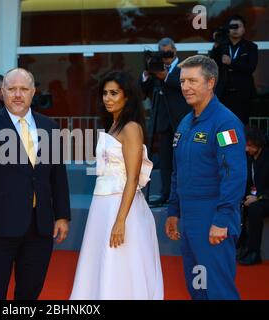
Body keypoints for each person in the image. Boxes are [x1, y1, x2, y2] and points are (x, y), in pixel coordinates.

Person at [0, 68, 70, 300]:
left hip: (39, 227)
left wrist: (62, 215)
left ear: (33, 92)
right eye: (12, 89)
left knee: (30, 292)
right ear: (2, 92)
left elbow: (57, 176)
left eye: (23, 89)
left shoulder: (50, 127)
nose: (18, 95)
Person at [70, 71, 163, 300]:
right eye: (104, 93)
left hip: (121, 206)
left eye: (114, 93)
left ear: (128, 96)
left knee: (120, 262)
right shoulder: (113, 125)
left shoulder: (131, 128)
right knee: (101, 260)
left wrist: (120, 220)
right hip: (102, 204)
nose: (107, 98)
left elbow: (132, 178)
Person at [165, 55, 247, 300]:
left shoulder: (225, 123)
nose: (185, 87)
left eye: (192, 81)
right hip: (188, 218)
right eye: (182, 81)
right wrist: (173, 210)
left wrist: (221, 219)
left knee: (218, 289)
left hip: (213, 216)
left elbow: (234, 175)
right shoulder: (185, 122)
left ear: (211, 82)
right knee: (197, 287)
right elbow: (178, 172)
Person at [141, 38, 191, 207]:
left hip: (180, 120)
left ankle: (181, 195)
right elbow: (143, 92)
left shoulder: (184, 66)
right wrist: (147, 74)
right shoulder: (156, 68)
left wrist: (166, 76)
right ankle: (166, 194)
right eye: (163, 53)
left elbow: (184, 85)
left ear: (175, 50)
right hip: (163, 120)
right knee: (165, 161)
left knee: (182, 159)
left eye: (169, 52)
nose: (167, 56)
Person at [209, 14, 258, 125]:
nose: (235, 30)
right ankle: (226, 143)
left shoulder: (251, 47)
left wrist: (232, 62)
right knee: (223, 124)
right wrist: (216, 43)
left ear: (244, 29)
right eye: (232, 27)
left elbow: (251, 67)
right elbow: (211, 64)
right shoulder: (221, 45)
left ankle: (239, 143)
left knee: (240, 124)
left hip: (243, 94)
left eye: (238, 26)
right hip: (223, 93)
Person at [237, 127, 269, 265]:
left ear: (258, 143)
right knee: (239, 203)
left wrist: (258, 197)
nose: (246, 149)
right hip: (255, 196)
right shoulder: (249, 159)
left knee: (255, 209)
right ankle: (243, 245)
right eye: (245, 145)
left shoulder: (267, 158)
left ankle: (255, 252)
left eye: (249, 145)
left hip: (266, 197)